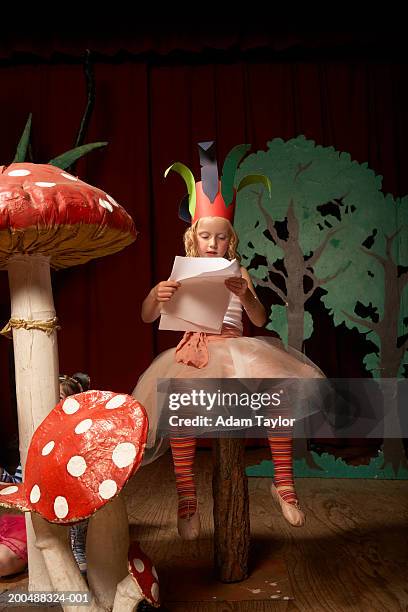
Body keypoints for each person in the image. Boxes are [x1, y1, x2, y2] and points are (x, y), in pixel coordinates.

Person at [132, 142, 324, 540]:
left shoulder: (241, 272)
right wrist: (157, 295)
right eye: (206, 236)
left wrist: (246, 295)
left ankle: (284, 484)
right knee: (181, 411)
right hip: (193, 354)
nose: (213, 243)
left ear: (231, 240)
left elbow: (259, 319)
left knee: (277, 395)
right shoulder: (181, 274)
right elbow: (147, 316)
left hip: (235, 351)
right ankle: (187, 498)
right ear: (193, 237)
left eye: (221, 238)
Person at [0, 372, 90, 577]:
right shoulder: (34, 445)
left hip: (68, 525)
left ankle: (76, 548)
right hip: (34, 523)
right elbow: (18, 484)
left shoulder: (79, 445)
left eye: (57, 400)